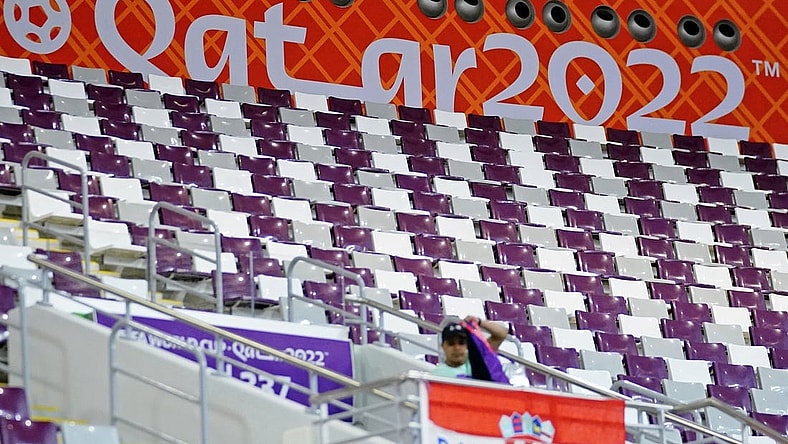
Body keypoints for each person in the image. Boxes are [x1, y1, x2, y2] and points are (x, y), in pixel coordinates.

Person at [431, 315, 509, 380]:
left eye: (461, 343)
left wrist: (479, 322)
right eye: (451, 344)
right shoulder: (437, 376)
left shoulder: (480, 360)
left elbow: (501, 334)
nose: (457, 348)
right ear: (443, 346)